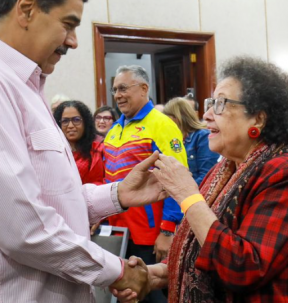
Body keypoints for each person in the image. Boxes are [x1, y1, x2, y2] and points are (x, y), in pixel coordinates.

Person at [0, 0, 167, 303]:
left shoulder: (26, 87)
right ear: (26, 9)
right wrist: (117, 271)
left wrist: (117, 195)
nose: (73, 42)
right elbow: (20, 225)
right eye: (68, 25)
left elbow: (47, 200)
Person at [113, 56, 288, 303]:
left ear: (257, 119)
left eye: (220, 104)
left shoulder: (280, 172)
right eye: (210, 103)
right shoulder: (222, 170)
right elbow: (197, 246)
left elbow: (243, 267)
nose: (206, 115)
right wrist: (156, 274)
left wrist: (187, 195)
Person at [104, 65, 188, 303]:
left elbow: (178, 180)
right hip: (119, 231)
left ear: (144, 89)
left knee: (153, 296)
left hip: (149, 234)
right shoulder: (115, 128)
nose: (118, 95)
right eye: (115, 89)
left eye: (123, 88)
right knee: (128, 294)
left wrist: (167, 229)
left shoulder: (162, 125)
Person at [163, 97, 219, 185]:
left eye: (166, 119)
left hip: (196, 194)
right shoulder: (173, 139)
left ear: (177, 118)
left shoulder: (202, 136)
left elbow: (207, 175)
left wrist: (183, 191)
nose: (164, 123)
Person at [54, 100, 105, 185]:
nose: (70, 126)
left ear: (85, 122)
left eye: (76, 120)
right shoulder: (54, 153)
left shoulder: (98, 150)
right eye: (65, 121)